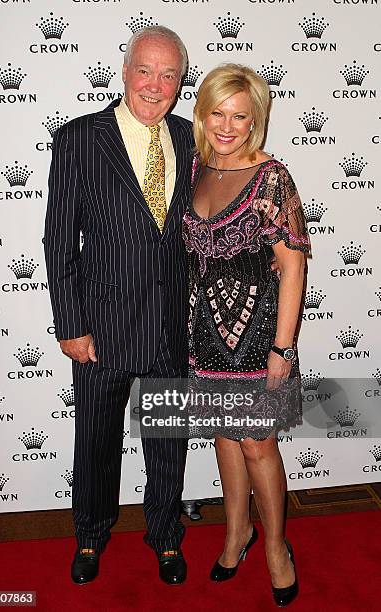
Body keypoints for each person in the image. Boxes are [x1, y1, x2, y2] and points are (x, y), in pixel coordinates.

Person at [44, 26, 194, 585]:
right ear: (124, 71)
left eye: (169, 74)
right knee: (97, 442)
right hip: (100, 326)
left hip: (171, 325)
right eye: (145, 71)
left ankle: (165, 536)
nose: (156, 85)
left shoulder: (192, 137)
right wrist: (71, 323)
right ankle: (89, 535)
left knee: (166, 441)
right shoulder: (80, 138)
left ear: (181, 81)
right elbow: (60, 241)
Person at [182, 64, 310, 606]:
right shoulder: (194, 168)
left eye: (240, 115)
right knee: (223, 436)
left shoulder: (272, 176)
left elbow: (293, 266)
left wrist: (283, 347)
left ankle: (276, 546)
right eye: (219, 112)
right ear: (204, 113)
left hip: (258, 338)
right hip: (205, 333)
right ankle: (237, 533)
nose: (228, 126)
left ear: (256, 119)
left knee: (258, 443)